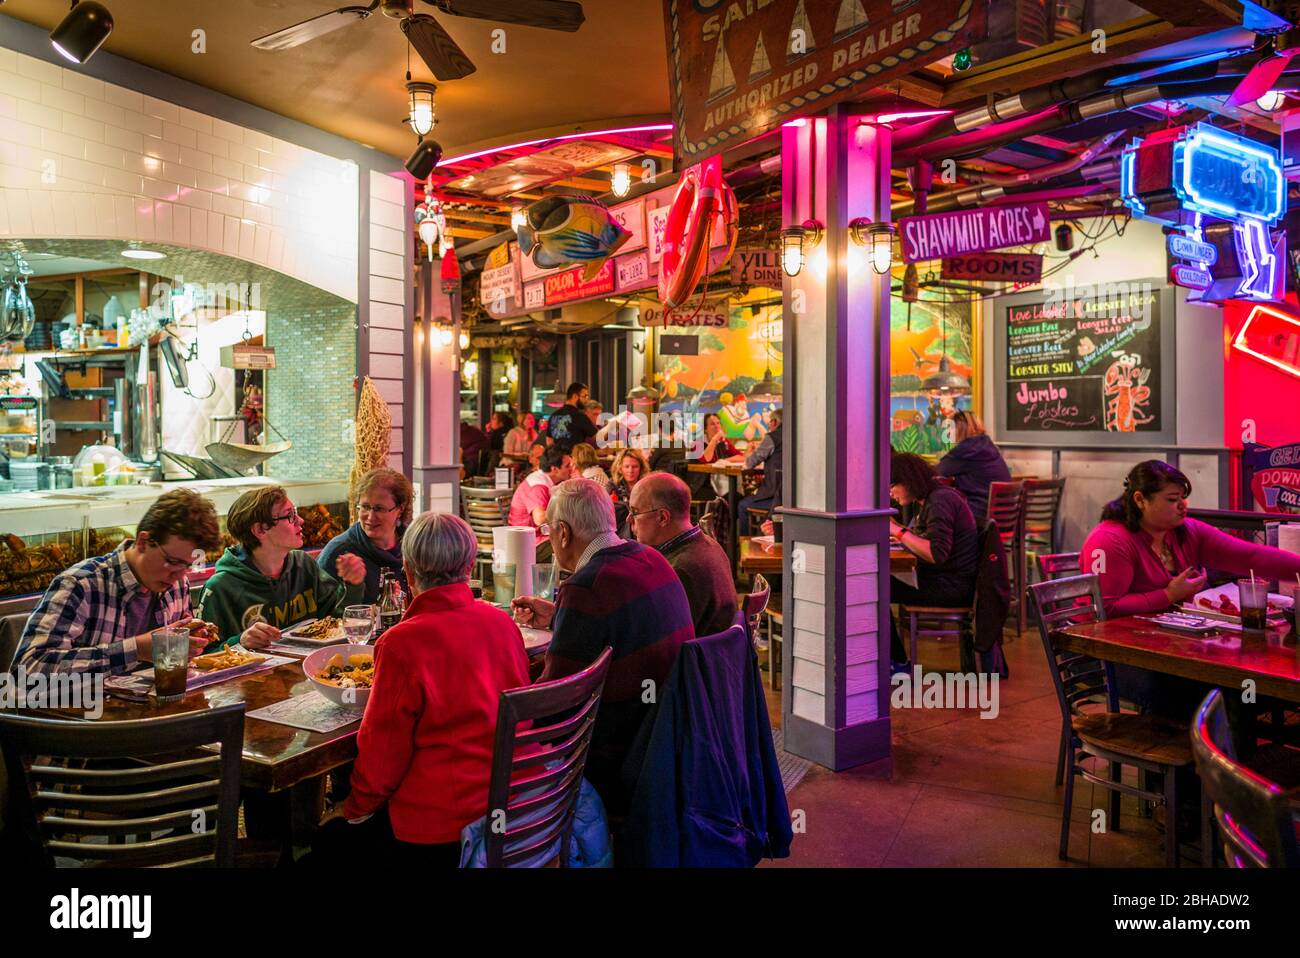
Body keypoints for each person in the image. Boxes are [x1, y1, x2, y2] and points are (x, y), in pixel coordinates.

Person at [319, 513, 531, 866]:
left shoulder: (401, 643)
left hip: (440, 829)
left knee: (326, 842)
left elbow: (383, 752)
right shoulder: (502, 623)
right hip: (516, 804)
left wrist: (352, 809)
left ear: (409, 570)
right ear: (468, 566)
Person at [511, 479, 693, 815]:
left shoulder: (587, 586)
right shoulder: (651, 559)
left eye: (551, 531)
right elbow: (622, 627)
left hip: (614, 753)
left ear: (563, 533)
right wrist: (559, 618)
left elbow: (555, 704)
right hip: (667, 738)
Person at [1080, 460, 1300, 714]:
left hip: (1162, 649)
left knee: (1239, 684)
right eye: (1173, 499)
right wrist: (1168, 595)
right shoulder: (1110, 540)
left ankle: (1224, 750)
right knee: (1211, 692)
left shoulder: (1184, 532)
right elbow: (1102, 609)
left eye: (1183, 497)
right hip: (1106, 658)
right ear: (1140, 500)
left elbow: (1250, 557)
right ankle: (1190, 750)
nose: (1183, 506)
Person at [15, 489, 222, 675]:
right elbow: (28, 670)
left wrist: (190, 645)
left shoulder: (177, 584)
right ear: (143, 542)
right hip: (76, 712)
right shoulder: (81, 584)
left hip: (146, 711)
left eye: (188, 565)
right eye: (172, 562)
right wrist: (137, 650)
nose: (178, 575)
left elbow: (174, 664)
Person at [198, 485, 366, 649]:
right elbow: (201, 657)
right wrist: (239, 642)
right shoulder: (220, 588)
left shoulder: (303, 564)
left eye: (296, 513)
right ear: (260, 529)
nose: (300, 520)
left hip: (310, 670)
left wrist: (353, 585)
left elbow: (336, 623)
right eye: (290, 515)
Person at [887, 452, 980, 669]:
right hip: (943, 579)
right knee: (876, 586)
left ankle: (897, 662)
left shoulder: (941, 500)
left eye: (892, 485)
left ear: (908, 480)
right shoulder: (934, 497)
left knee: (874, 589)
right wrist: (900, 531)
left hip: (951, 587)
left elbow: (936, 554)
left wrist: (898, 532)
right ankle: (894, 659)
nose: (890, 493)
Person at [630, 472, 737, 636]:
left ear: (662, 517)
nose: (628, 519)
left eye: (635, 512)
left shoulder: (679, 570)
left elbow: (660, 642)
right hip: (722, 657)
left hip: (695, 660)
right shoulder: (710, 544)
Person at [318, 468, 413, 604]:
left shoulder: (413, 546)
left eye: (379, 509)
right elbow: (325, 617)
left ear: (400, 509)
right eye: (365, 507)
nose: (370, 516)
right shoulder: (338, 552)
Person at [936, 411, 1011, 520]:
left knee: (938, 511)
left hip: (981, 519)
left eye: (950, 428)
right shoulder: (987, 446)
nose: (947, 433)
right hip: (1004, 518)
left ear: (960, 429)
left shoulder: (965, 450)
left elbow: (936, 471)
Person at [507, 445, 573, 542]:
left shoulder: (542, 478)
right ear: (554, 469)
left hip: (533, 536)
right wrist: (569, 512)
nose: (571, 468)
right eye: (567, 466)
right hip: (527, 542)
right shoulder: (538, 486)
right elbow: (540, 518)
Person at [735, 407, 783, 535]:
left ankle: (744, 546)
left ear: (773, 422)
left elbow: (750, 463)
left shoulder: (772, 437)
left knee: (742, 505)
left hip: (775, 496)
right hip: (794, 496)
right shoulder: (796, 435)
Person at [546, 382, 598, 453]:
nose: (587, 400)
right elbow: (597, 437)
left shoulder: (554, 415)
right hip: (574, 460)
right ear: (575, 396)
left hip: (557, 461)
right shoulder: (579, 416)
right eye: (585, 396)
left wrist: (555, 456)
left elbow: (549, 440)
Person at [610, 447, 649, 537]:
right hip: (618, 532)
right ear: (620, 468)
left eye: (635, 466)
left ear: (641, 468)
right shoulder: (612, 485)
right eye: (627, 467)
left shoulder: (647, 485)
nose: (630, 470)